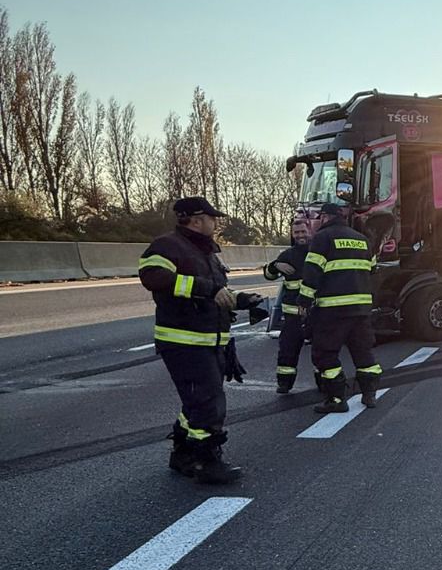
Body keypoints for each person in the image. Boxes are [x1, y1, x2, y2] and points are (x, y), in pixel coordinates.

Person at [137, 196, 260, 484]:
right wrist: (206, 289)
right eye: (212, 218)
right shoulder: (167, 246)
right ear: (196, 220)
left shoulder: (205, 252)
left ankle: (182, 454)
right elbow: (153, 277)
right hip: (185, 342)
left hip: (208, 340)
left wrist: (240, 300)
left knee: (196, 402)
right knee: (208, 403)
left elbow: (215, 294)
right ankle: (206, 461)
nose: (215, 223)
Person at [298, 203, 382, 414]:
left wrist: (303, 302)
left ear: (325, 217)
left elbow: (312, 273)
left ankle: (336, 399)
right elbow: (372, 270)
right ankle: (369, 395)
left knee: (325, 354)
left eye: (319, 217)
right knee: (363, 353)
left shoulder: (322, 238)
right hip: (361, 309)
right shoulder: (362, 240)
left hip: (333, 310)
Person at [263, 216, 313, 395]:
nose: (300, 235)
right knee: (287, 350)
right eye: (296, 232)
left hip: (316, 312)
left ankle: (326, 383)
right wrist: (275, 266)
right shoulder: (287, 255)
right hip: (293, 316)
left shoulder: (318, 252)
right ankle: (284, 383)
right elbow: (268, 276)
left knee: (323, 351)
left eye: (303, 232)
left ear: (310, 231)